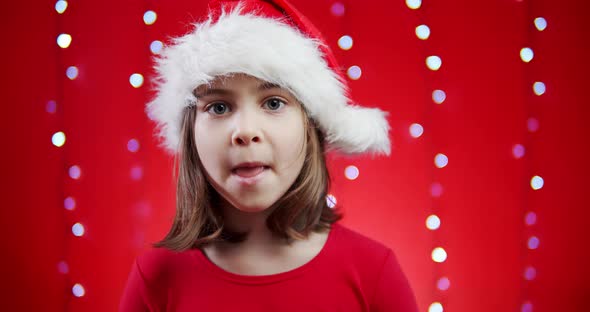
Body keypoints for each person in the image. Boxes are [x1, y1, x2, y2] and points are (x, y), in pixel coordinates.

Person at [119, 0, 419, 311]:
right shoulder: (157, 277)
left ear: (310, 125)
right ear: (190, 135)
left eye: (273, 103)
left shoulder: (373, 273)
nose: (246, 131)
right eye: (219, 107)